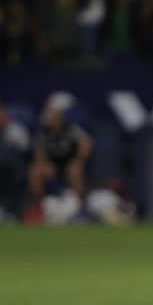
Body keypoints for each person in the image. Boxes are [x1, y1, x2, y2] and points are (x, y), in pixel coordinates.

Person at [28, 94, 93, 223]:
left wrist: (78, 160)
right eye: (50, 114)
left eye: (54, 114)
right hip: (51, 165)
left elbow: (86, 143)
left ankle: (81, 210)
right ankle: (39, 208)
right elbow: (39, 151)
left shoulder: (70, 129)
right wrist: (43, 163)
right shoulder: (44, 131)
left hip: (69, 164)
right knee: (35, 171)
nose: (51, 117)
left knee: (75, 171)